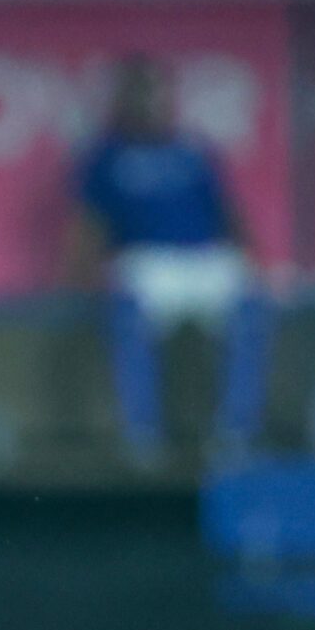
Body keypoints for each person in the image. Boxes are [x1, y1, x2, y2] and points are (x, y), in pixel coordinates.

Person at [68, 55, 273, 467]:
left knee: (254, 304)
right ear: (122, 100)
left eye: (156, 93)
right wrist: (78, 276)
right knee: (126, 308)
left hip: (205, 260)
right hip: (146, 263)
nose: (149, 103)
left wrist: (252, 259)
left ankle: (236, 433)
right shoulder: (107, 156)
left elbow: (229, 213)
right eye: (139, 94)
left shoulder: (192, 150)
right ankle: (142, 437)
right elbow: (87, 224)